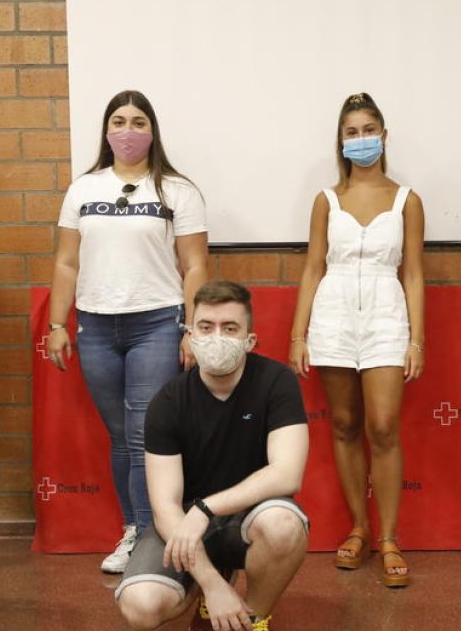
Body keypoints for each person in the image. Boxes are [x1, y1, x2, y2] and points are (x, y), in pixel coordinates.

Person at [46, 90, 209, 574]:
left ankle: (147, 534)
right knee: (119, 435)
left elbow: (195, 264)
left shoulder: (177, 190)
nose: (128, 130)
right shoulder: (83, 189)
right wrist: (59, 323)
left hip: (157, 321)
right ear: (105, 131)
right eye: (118, 121)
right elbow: (66, 261)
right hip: (95, 325)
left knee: (143, 433)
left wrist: (193, 328)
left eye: (139, 122)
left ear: (152, 131)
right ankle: (136, 527)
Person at [115, 281, 309, 631]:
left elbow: (287, 474)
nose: (216, 336)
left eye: (230, 328)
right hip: (183, 524)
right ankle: (215, 587)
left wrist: (207, 509)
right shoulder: (168, 402)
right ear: (191, 335)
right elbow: (165, 506)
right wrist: (212, 584)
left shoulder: (276, 381)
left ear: (250, 340)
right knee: (140, 607)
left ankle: (253, 617)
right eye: (206, 327)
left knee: (284, 525)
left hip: (248, 518)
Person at [289, 93, 425, 588]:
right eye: (352, 131)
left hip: (388, 316)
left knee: (384, 426)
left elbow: (413, 273)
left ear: (384, 135)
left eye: (369, 129)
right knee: (345, 424)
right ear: (341, 141)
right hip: (333, 315)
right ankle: (359, 529)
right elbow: (312, 268)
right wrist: (298, 334)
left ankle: (389, 536)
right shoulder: (326, 199)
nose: (361, 138)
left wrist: (416, 340)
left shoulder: (407, 198)